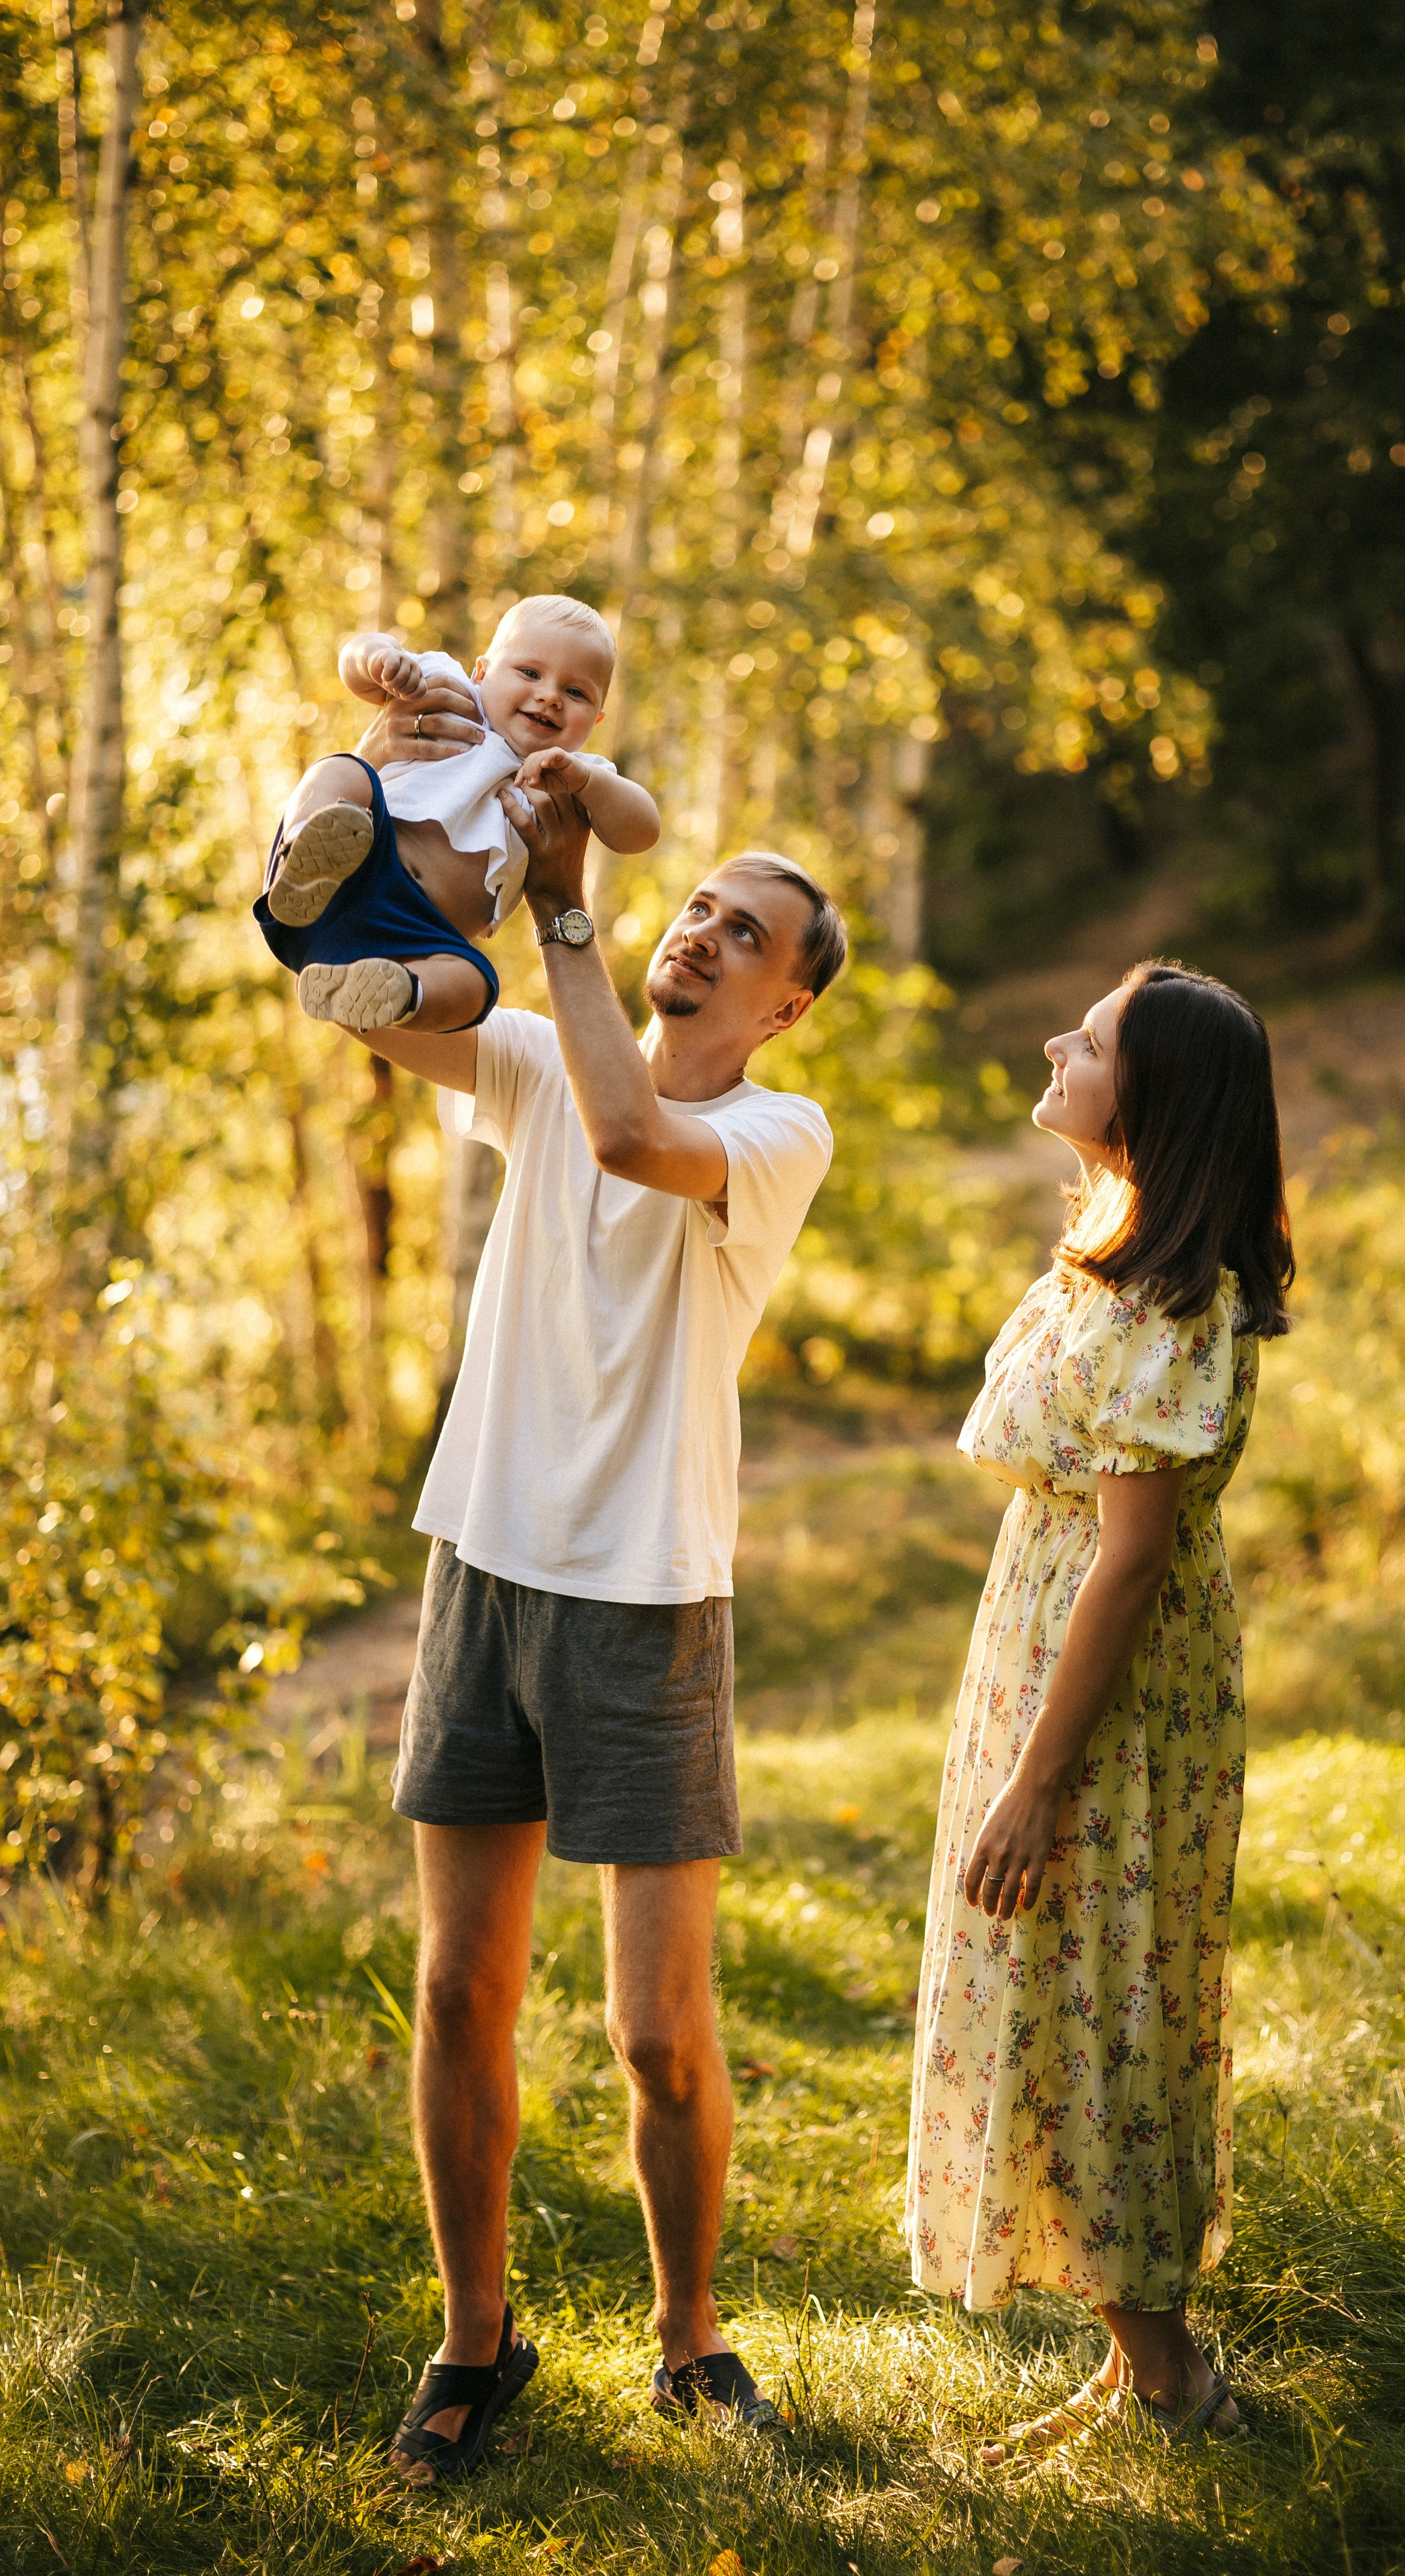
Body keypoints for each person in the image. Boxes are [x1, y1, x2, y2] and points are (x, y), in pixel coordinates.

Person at [324, 696, 846, 2483]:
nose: (703, 933)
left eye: (744, 935)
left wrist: (568, 912)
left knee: (656, 2033)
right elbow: (365, 992)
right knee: (460, 1989)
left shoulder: (779, 1139)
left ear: (783, 1005)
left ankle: (691, 2341)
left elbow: (633, 1135)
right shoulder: (540, 1061)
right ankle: (477, 2344)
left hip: (642, 1602)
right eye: (695, 905)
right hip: (484, 1572)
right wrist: (397, 804)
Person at [905, 961, 1294, 2457]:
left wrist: (1036, 1780)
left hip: (1106, 1695)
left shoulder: (1171, 1305)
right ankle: (1139, 2364)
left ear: (1159, 1098)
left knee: (1088, 2005)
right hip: (1043, 1646)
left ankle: (1173, 2381)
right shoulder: (1107, 1252)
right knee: (1049, 1993)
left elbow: (1129, 1565)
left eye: (1096, 1039)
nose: (1056, 1041)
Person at [252, 594, 659, 1034]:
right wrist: (382, 658)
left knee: (476, 987)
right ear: (482, 672)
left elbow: (642, 831)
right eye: (530, 672)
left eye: (575, 692)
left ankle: (399, 993)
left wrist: (587, 782)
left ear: (596, 721)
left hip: (419, 938)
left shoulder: (571, 776)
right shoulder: (449, 690)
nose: (549, 696)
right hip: (358, 867)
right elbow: (353, 661)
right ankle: (304, 856)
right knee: (342, 771)